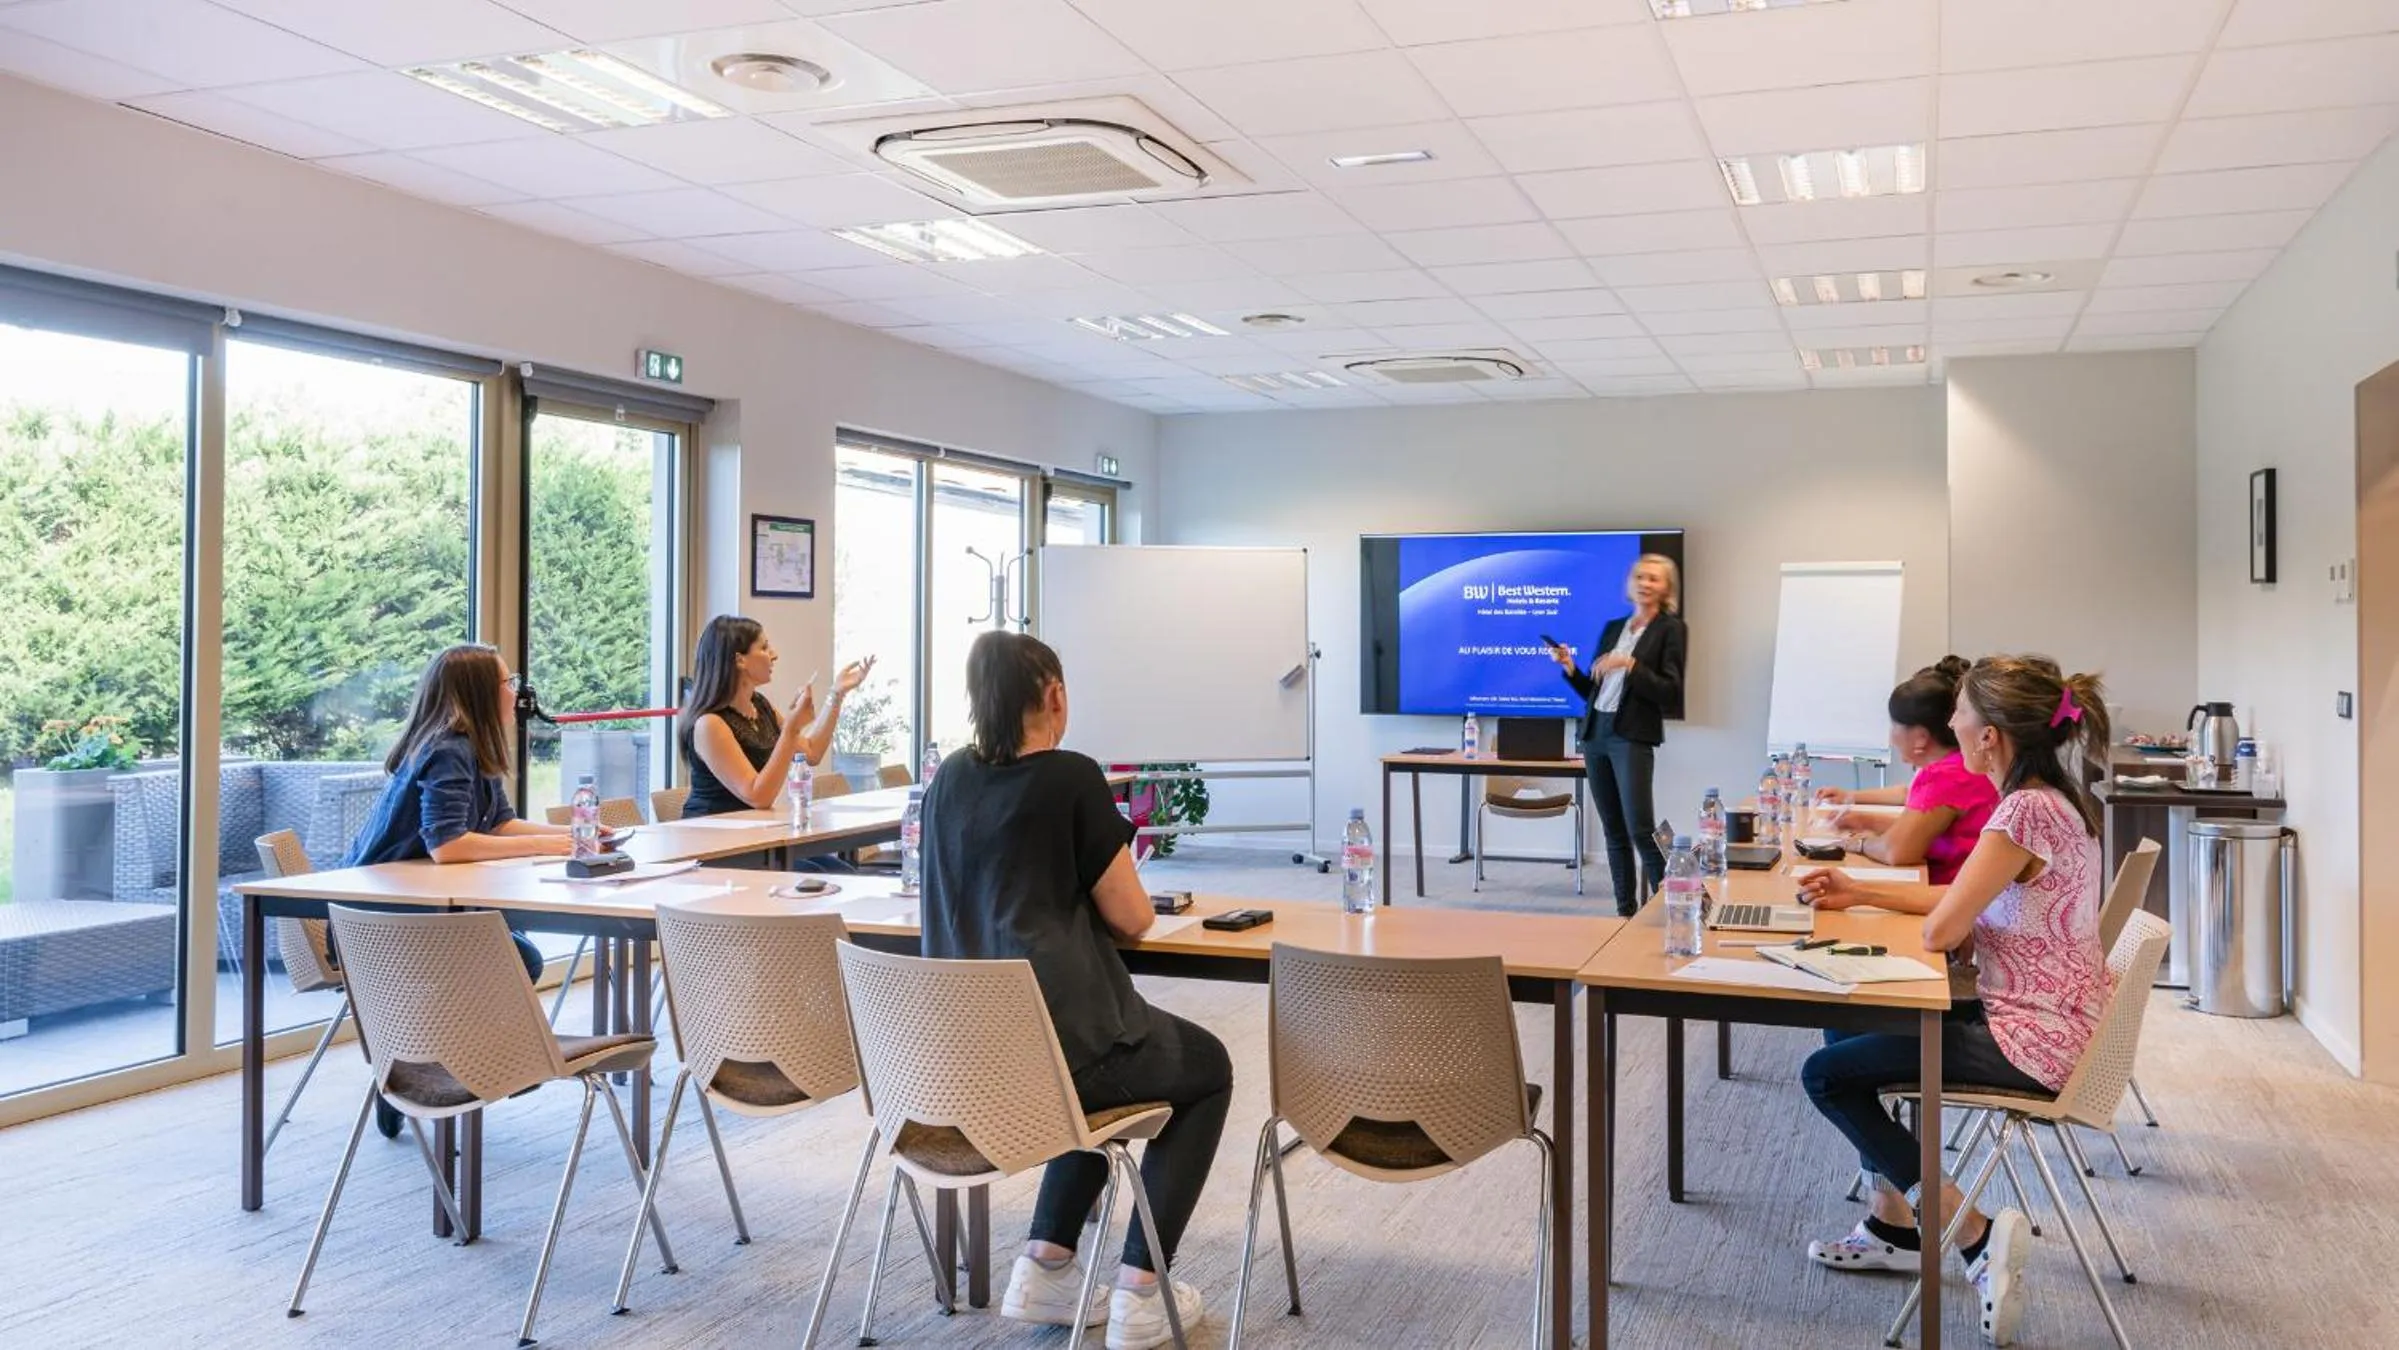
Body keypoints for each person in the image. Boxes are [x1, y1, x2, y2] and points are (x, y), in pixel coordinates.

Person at [1792, 657, 2115, 1348]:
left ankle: (1965, 1235)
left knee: (1824, 1075)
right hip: (2044, 1017)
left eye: (1960, 712)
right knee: (1846, 1018)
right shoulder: (2051, 801)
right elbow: (1960, 896)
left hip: (2030, 1039)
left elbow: (1945, 926)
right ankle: (1891, 1224)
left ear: (1989, 736)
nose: (1950, 723)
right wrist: (1861, 893)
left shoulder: (2020, 811)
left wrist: (1883, 897)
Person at [920, 631, 1228, 1350]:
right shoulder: (1070, 776)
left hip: (965, 1053)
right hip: (1056, 1044)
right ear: (1053, 694)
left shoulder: (950, 776)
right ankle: (1141, 1293)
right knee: (1203, 1067)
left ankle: (1046, 1266)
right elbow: (1133, 917)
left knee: (1088, 1072)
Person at [342, 643, 579, 1136]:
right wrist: (553, 846)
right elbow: (447, 845)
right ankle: (434, 1069)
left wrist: (572, 836)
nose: (516, 692)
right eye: (507, 683)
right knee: (517, 958)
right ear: (478, 693)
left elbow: (502, 824)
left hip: (418, 908)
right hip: (382, 918)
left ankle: (420, 1067)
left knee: (514, 952)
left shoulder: (471, 746)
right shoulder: (449, 749)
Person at [1549, 553, 1687, 917]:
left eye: (1654, 578)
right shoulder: (1614, 628)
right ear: (1631, 583)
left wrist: (1630, 664)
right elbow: (1592, 690)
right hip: (1596, 733)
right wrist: (1569, 668)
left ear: (1666, 587)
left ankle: (1666, 910)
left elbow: (1670, 692)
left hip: (1632, 736)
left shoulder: (1670, 629)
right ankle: (1626, 911)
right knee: (1613, 832)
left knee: (1641, 828)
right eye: (1640, 576)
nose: (1645, 583)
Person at [1812, 655, 2000, 885]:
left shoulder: (1946, 776)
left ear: (1921, 737)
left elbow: (1896, 851)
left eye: (1895, 726)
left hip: (1948, 895)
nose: (1891, 737)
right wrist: (1861, 819)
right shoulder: (1961, 763)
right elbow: (1916, 828)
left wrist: (1853, 844)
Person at [675, 614, 871, 819]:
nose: (774, 655)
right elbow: (758, 796)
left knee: (824, 853)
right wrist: (791, 730)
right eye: (764, 648)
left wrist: (836, 695)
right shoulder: (710, 724)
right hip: (713, 840)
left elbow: (812, 752)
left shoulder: (760, 705)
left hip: (754, 831)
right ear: (740, 660)